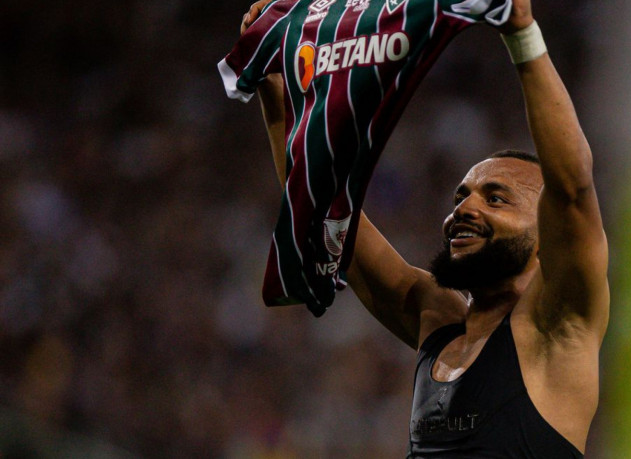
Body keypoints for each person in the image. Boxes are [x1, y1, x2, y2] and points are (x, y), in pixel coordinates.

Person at [241, 0, 608, 455]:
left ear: (545, 238)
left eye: (496, 198)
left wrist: (522, 35)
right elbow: (318, 208)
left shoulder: (557, 327)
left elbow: (573, 190)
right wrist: (274, 86)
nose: (465, 209)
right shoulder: (435, 319)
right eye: (461, 197)